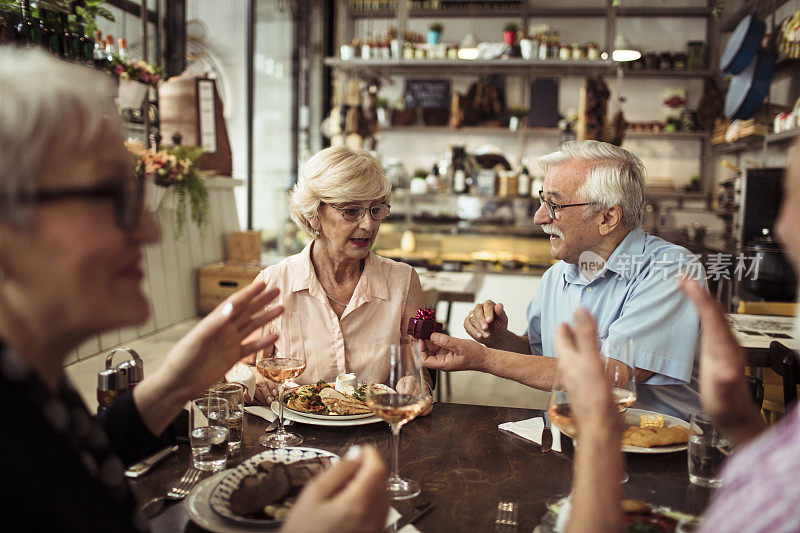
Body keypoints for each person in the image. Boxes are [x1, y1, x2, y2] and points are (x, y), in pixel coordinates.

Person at [0, 48, 388, 533]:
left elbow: (81, 460)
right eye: (112, 196)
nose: (149, 231)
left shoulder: (34, 384)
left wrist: (173, 385)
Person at [557, 136, 800, 533]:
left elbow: (616, 377)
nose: (781, 227)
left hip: (654, 460)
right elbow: (770, 479)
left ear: (608, 217)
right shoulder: (566, 270)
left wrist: (600, 435)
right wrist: (743, 424)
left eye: (793, 196)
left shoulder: (668, 266)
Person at [421, 141, 703, 419]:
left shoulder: (672, 270)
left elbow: (614, 375)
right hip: (582, 437)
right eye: (542, 200)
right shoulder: (559, 274)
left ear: (607, 217)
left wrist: (482, 359)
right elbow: (540, 353)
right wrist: (499, 338)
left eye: (554, 204)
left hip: (667, 450)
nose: (539, 217)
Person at [227, 146, 433, 415]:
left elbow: (416, 368)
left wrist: (417, 386)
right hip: (294, 437)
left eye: (376, 210)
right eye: (351, 211)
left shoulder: (403, 282)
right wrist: (252, 380)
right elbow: (237, 367)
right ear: (314, 214)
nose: (368, 225)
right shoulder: (274, 282)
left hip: (374, 435)